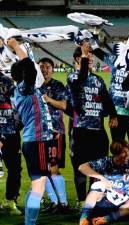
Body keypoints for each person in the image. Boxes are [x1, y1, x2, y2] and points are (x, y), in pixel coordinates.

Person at [65, 41, 118, 208]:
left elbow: (107, 99)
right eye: (87, 57)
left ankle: (93, 198)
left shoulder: (98, 80)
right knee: (80, 167)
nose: (91, 59)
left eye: (91, 57)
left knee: (98, 168)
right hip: (81, 130)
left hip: (98, 131)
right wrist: (84, 53)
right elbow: (81, 78)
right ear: (77, 60)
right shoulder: (72, 77)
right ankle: (81, 201)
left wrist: (113, 115)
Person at [9, 37, 54, 225]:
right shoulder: (24, 88)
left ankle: (29, 221)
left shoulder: (24, 89)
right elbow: (29, 66)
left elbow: (29, 67)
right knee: (39, 185)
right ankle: (30, 223)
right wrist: (15, 46)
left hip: (34, 141)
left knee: (38, 183)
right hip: (37, 141)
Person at [78, 139, 129, 225]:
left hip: (121, 204)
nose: (127, 158)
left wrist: (127, 197)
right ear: (115, 154)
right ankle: (84, 219)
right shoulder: (105, 162)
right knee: (94, 191)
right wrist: (101, 177)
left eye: (128, 155)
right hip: (103, 200)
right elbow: (82, 167)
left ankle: (106, 219)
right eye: (123, 156)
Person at [38, 57, 69, 212]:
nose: (44, 69)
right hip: (38, 133)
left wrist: (48, 99)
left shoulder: (57, 85)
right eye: (41, 67)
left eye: (47, 67)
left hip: (55, 132)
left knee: (54, 168)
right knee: (40, 169)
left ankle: (63, 203)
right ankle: (54, 202)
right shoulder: (34, 86)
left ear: (52, 69)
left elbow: (63, 105)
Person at [0, 38, 23, 216]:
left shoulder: (7, 82)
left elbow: (19, 106)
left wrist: (16, 127)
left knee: (15, 168)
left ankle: (10, 201)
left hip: (10, 133)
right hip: (7, 132)